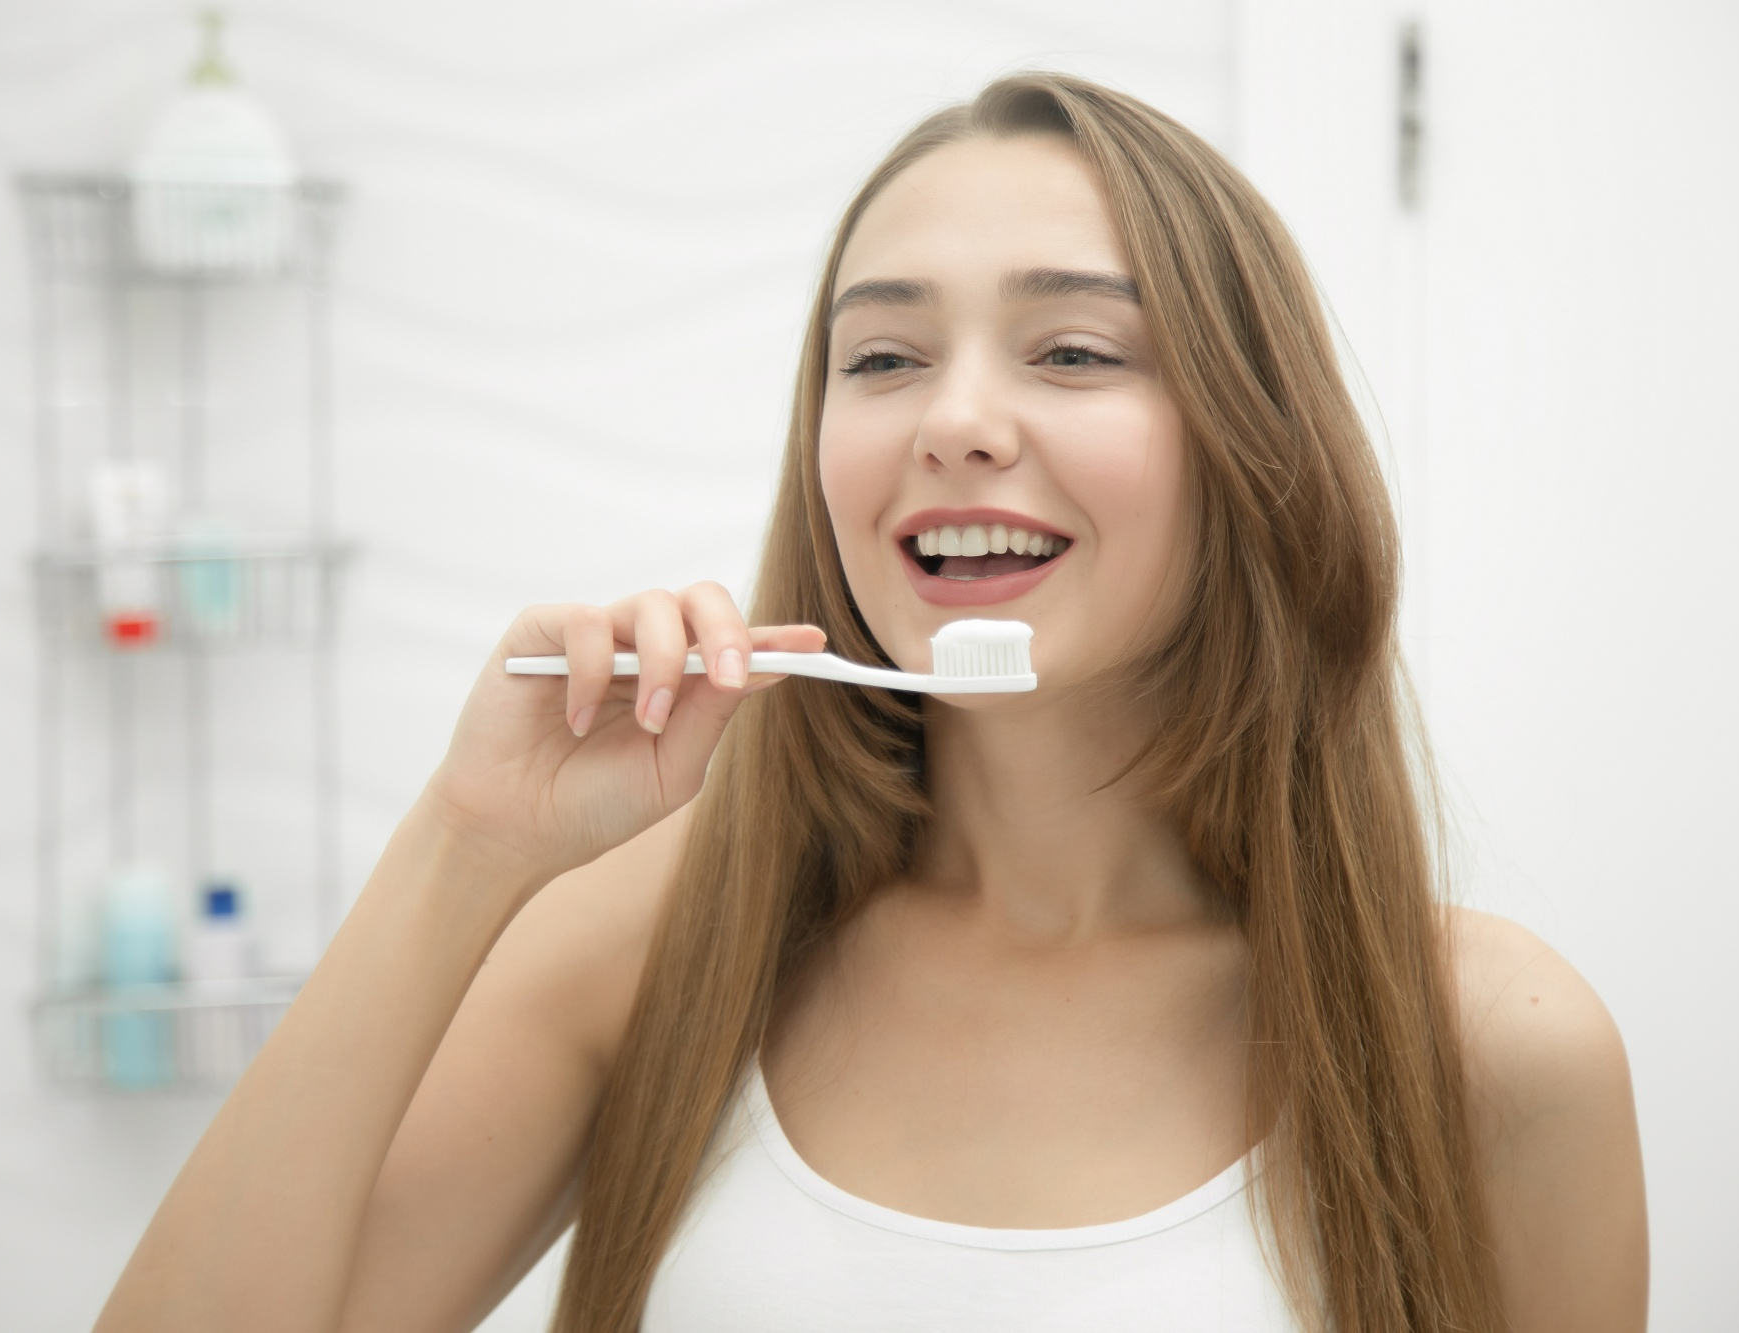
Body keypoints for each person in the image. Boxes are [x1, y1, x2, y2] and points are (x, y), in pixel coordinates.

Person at [96, 74, 1646, 1333]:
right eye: (885, 355)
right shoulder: (655, 950)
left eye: (1075, 348)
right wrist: (469, 842)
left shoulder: (1491, 1044)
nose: (957, 419)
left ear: (1254, 442)